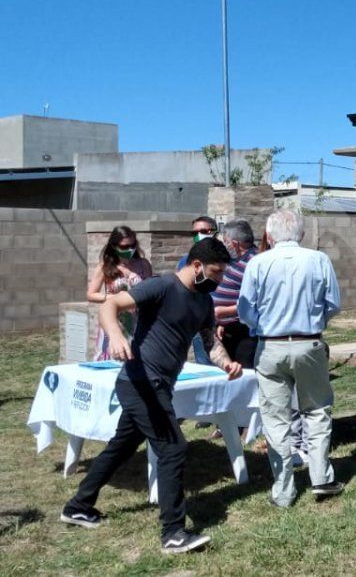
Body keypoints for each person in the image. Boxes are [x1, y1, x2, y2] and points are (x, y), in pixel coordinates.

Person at [61, 238, 243, 555]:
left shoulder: (202, 302)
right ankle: (173, 533)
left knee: (120, 447)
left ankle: (78, 505)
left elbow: (210, 342)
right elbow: (110, 304)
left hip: (157, 384)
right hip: (141, 382)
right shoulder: (162, 286)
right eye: (216, 272)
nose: (219, 279)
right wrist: (116, 335)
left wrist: (227, 362)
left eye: (223, 274)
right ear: (197, 266)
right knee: (173, 449)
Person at [238, 209, 343, 507]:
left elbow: (245, 309)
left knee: (275, 418)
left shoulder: (257, 263)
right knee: (317, 410)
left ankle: (283, 490)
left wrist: (260, 326)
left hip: (270, 345)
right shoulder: (318, 260)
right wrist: (315, 322)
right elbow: (334, 303)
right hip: (309, 343)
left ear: (269, 236)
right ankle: (321, 478)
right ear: (302, 234)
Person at [87, 226, 152, 361]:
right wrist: (112, 297)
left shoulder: (143, 264)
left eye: (132, 245)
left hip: (138, 319)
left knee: (136, 357)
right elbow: (91, 294)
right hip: (114, 318)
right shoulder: (105, 267)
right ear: (114, 246)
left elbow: (150, 290)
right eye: (124, 246)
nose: (129, 249)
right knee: (111, 356)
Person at [213, 219, 259, 368]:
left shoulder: (256, 262)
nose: (224, 244)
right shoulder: (232, 260)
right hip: (226, 329)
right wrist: (221, 322)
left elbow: (258, 300)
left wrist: (225, 312)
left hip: (245, 333)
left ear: (235, 243)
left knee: (244, 375)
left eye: (226, 241)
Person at [178, 216, 218, 365]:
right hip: (201, 324)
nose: (198, 236)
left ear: (213, 232)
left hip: (226, 324)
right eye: (194, 233)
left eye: (202, 231)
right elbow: (182, 290)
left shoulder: (224, 257)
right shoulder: (187, 260)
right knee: (206, 368)